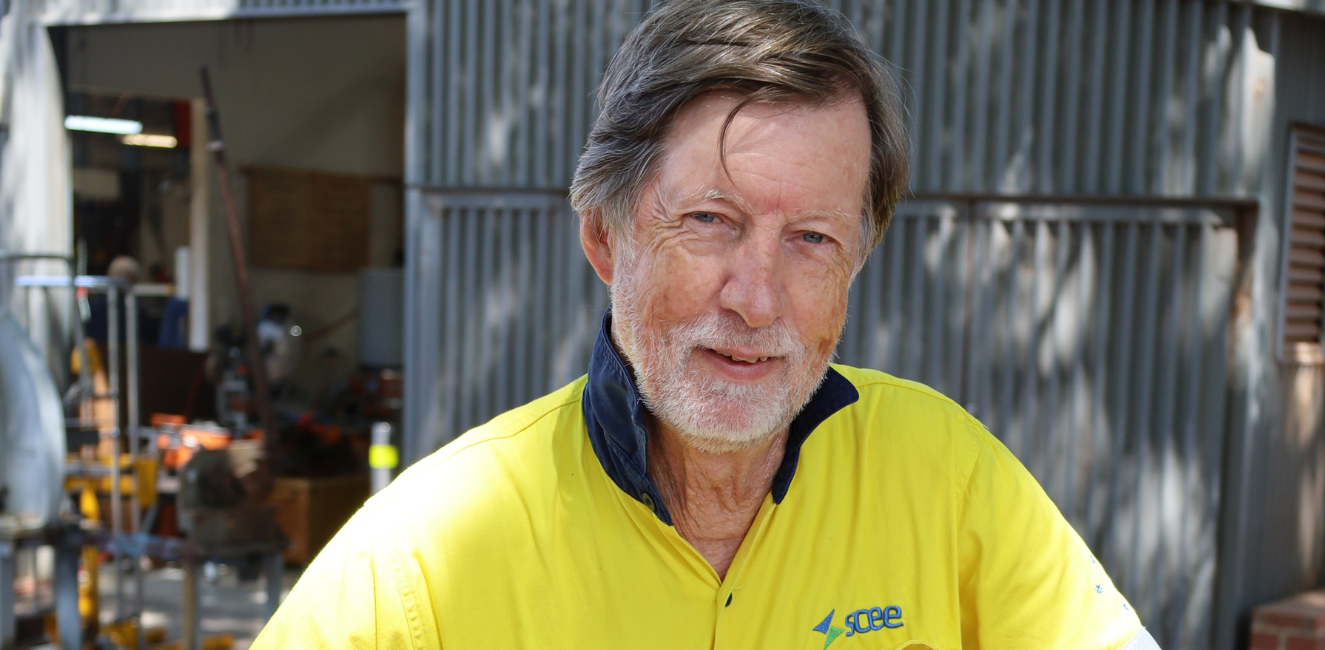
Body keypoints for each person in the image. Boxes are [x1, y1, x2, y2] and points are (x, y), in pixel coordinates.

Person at [253, 1, 1160, 648]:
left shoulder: (950, 477)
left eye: (811, 238)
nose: (756, 299)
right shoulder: (423, 558)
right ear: (605, 236)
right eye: (710, 222)